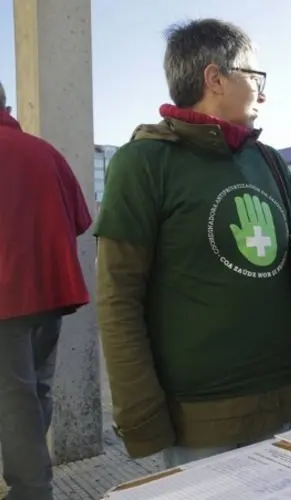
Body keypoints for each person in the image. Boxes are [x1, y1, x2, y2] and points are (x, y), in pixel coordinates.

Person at [94, 19, 291, 468]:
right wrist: (141, 415)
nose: (263, 93)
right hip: (197, 418)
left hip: (281, 401)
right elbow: (118, 299)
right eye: (255, 77)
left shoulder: (267, 160)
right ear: (215, 78)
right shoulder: (143, 163)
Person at [0, 81, 91, 500]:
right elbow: (79, 219)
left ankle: (31, 490)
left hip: (6, 300)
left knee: (14, 401)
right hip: (51, 296)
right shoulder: (46, 152)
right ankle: (33, 480)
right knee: (35, 392)